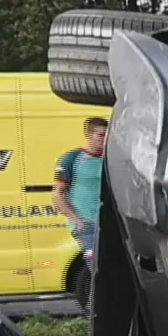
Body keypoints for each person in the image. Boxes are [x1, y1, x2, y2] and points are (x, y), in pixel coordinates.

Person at [55, 116, 109, 274]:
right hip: (87, 224)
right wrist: (76, 220)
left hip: (108, 223)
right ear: (89, 135)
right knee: (97, 269)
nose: (104, 139)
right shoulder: (72, 159)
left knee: (111, 270)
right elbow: (58, 194)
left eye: (107, 135)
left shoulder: (108, 159)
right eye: (100, 135)